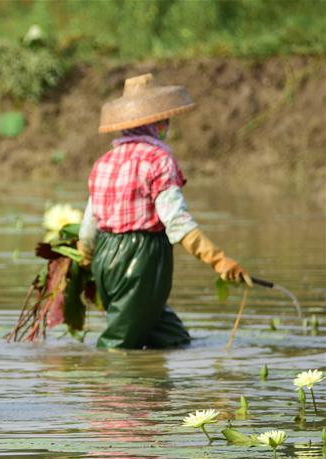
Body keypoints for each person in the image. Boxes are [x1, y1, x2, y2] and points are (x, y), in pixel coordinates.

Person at [76, 73, 251, 349]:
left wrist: (85, 258)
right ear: (157, 123)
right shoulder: (159, 160)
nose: (167, 126)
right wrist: (219, 260)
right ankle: (104, 387)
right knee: (117, 345)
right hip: (141, 260)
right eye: (164, 120)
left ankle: (155, 392)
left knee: (172, 339)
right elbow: (177, 222)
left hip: (106, 259)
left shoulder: (104, 162)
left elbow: (89, 224)